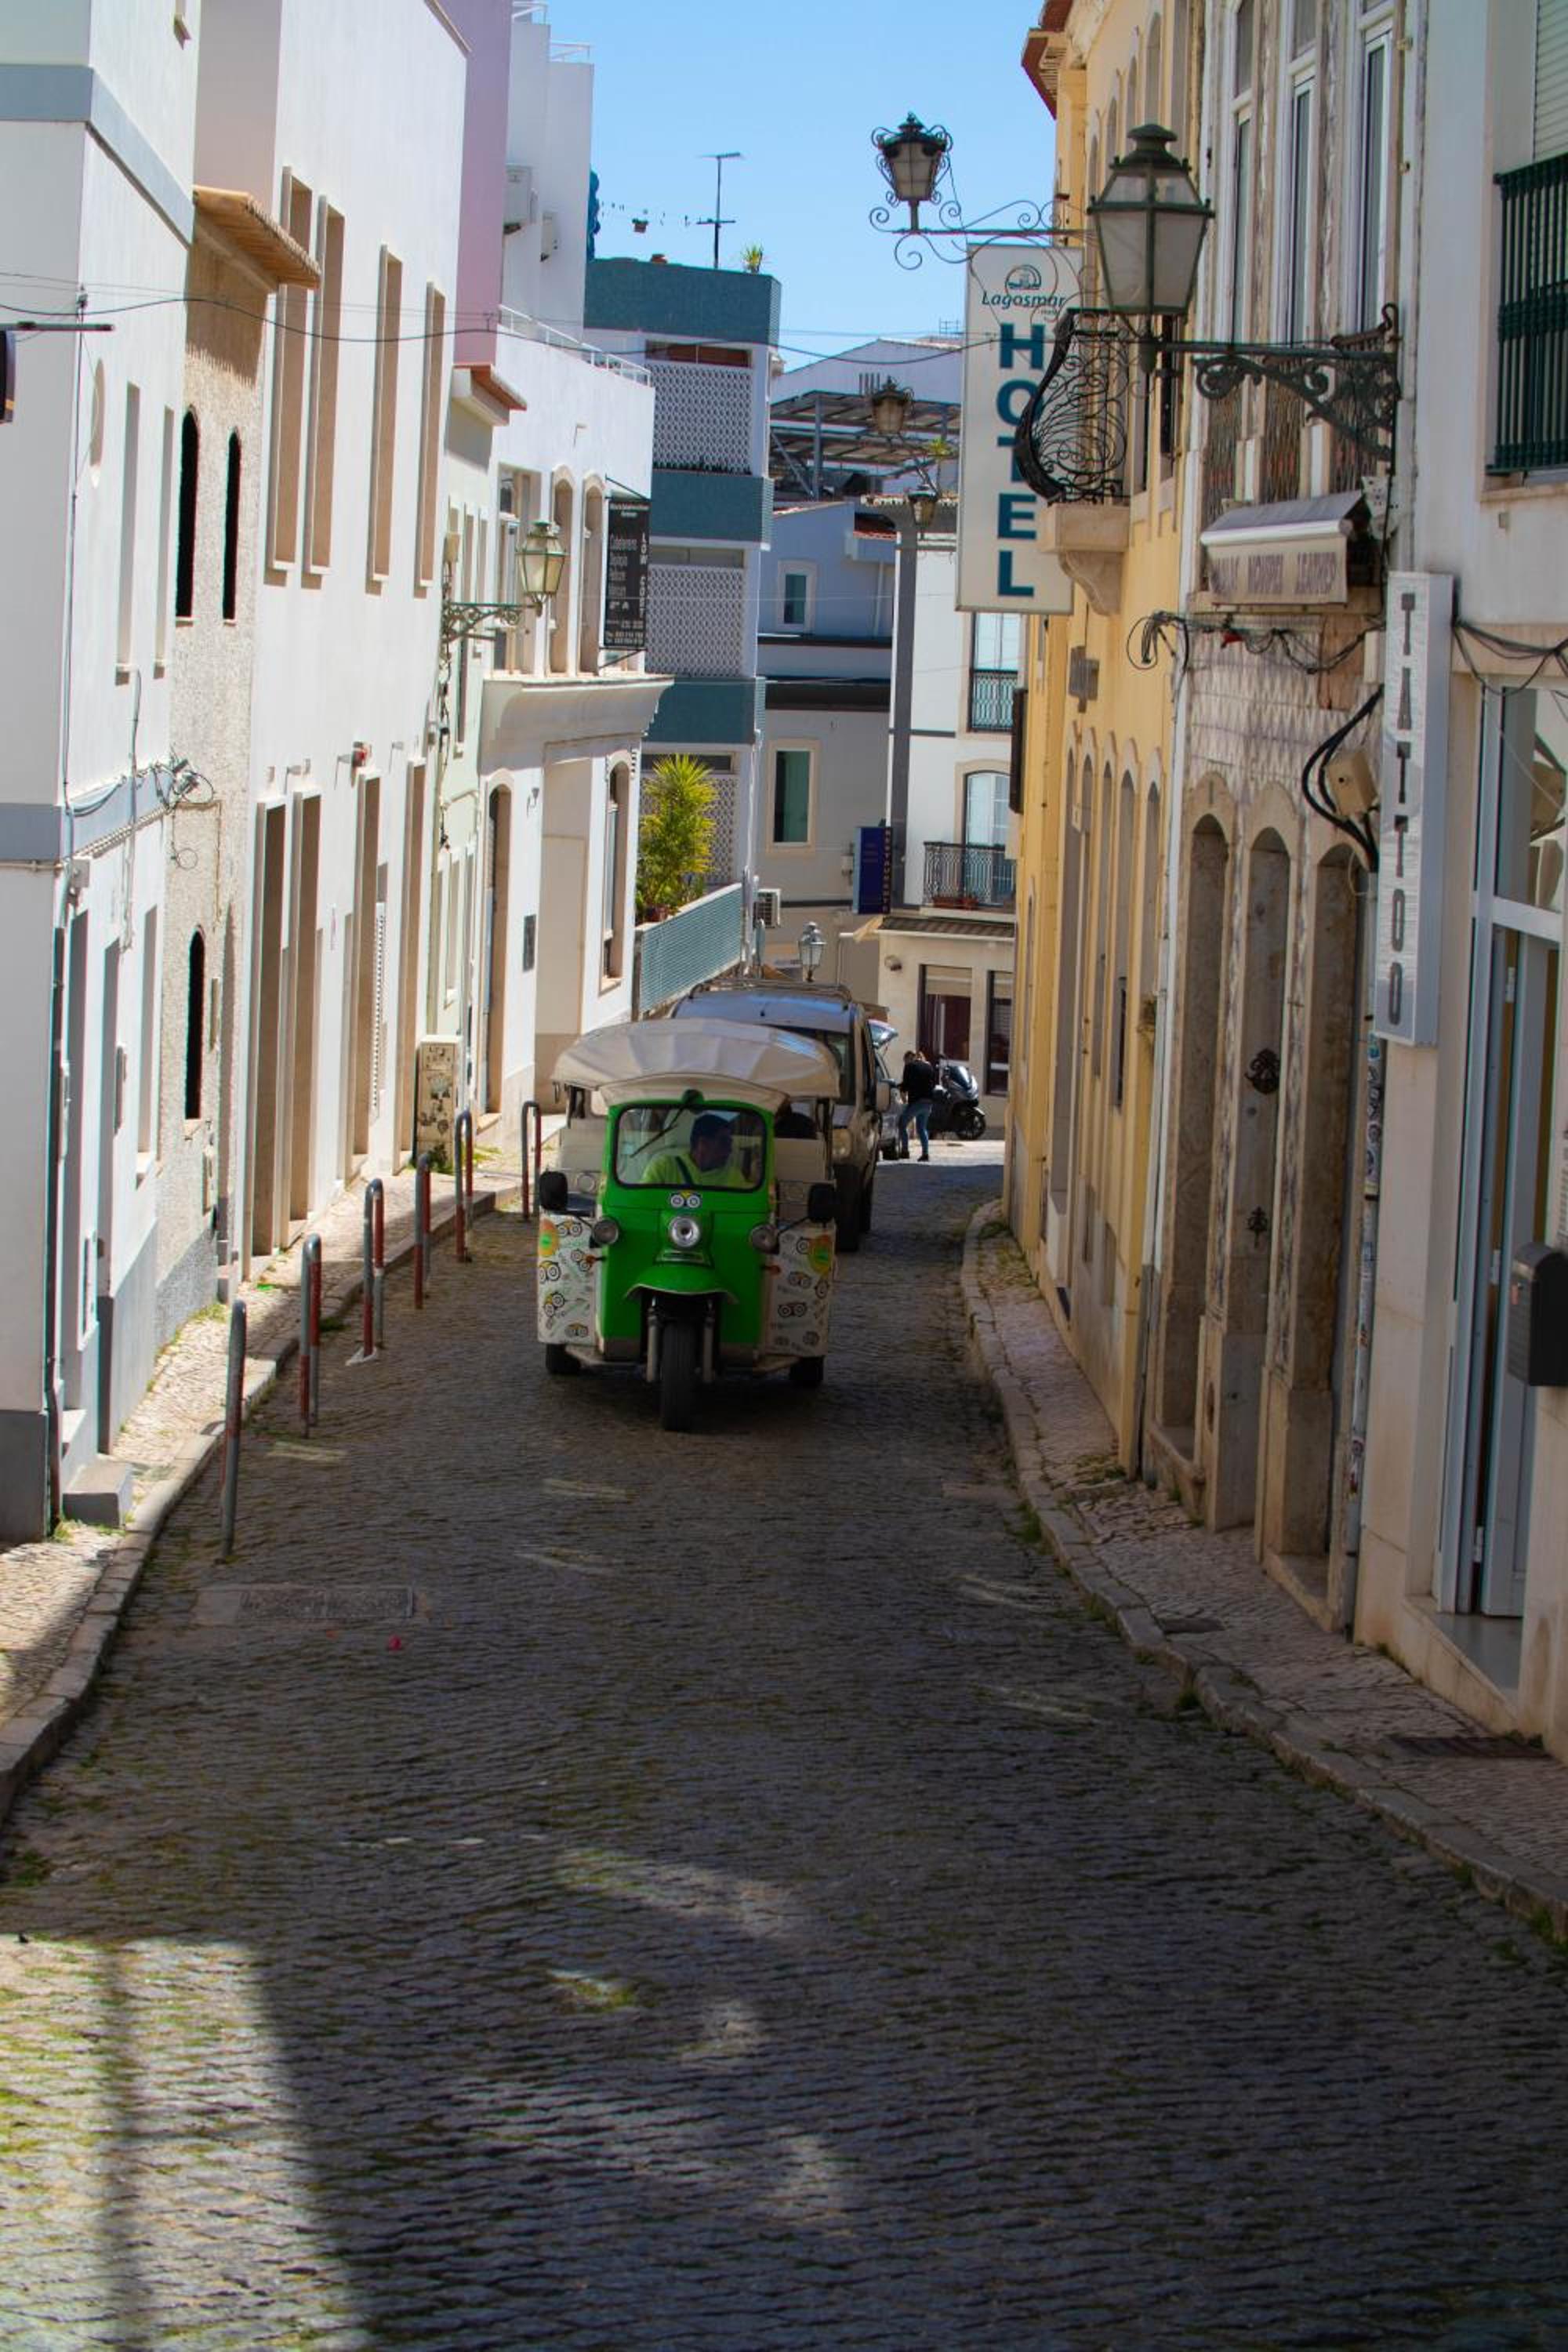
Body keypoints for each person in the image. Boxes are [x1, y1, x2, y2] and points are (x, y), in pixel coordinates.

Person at [644, 1111, 752, 1189]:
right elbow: (641, 1200)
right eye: (724, 1143)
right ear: (703, 1143)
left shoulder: (734, 1177)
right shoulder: (663, 1168)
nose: (729, 1150)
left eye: (730, 1143)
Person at [897, 1048, 937, 1162]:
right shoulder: (929, 1067)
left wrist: (899, 1089)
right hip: (928, 1103)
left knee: (902, 1124)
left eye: (905, 1061)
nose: (905, 1063)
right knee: (922, 1128)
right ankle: (925, 1154)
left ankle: (905, 1151)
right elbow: (933, 1085)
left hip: (917, 1103)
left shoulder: (909, 1066)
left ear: (909, 1058)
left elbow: (906, 1085)